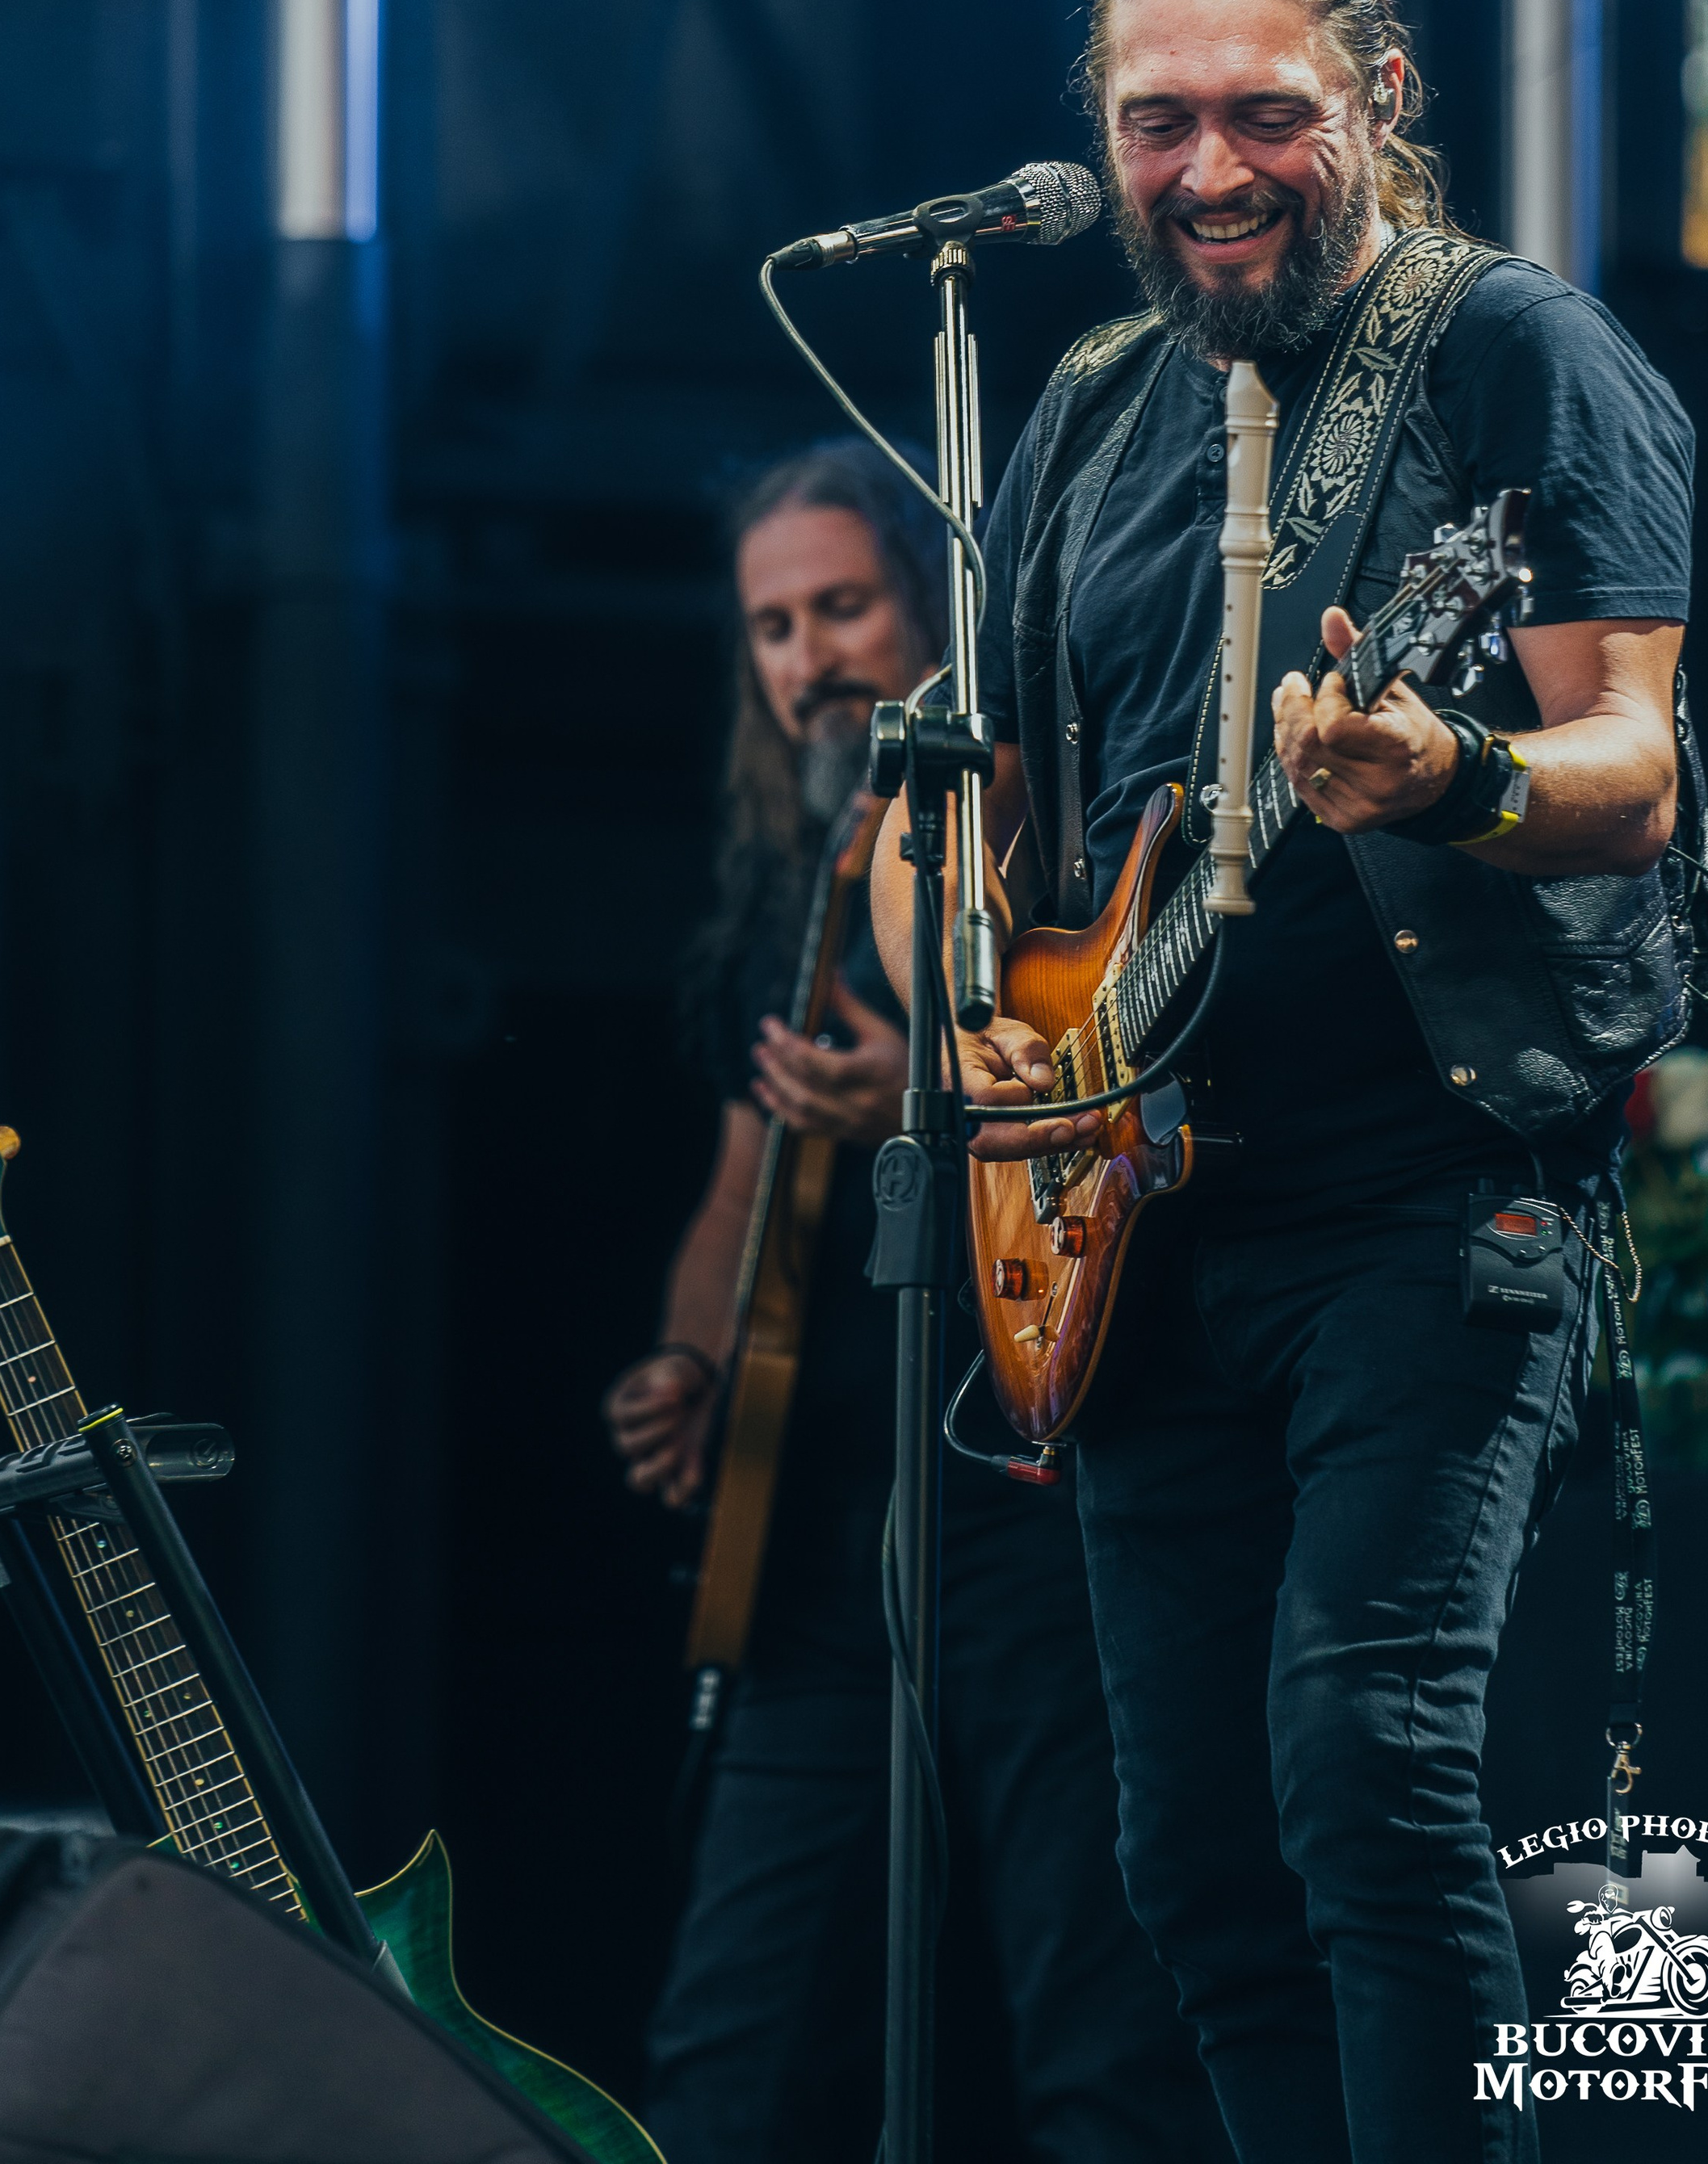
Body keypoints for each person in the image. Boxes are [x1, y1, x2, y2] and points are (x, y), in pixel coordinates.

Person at [872, 0, 1702, 2164]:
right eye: (1159, 122)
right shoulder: (1091, 402)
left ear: (1383, 103)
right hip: (1141, 1218)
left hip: (1428, 1203)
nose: (1210, 168)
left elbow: (1630, 766)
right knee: (1196, 1864)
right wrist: (977, 1006)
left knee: (1364, 1761)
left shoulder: (1507, 355)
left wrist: (1454, 776)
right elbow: (971, 803)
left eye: (1266, 112)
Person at [606, 440, 1225, 2164]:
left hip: (1038, 1519)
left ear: (932, 618)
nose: (810, 655)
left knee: (1101, 2038)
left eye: (844, 606)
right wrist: (689, 1360)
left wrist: (922, 1101)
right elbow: (741, 1185)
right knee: (726, 2060)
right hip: (823, 1550)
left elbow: (1124, 1133)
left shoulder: (1039, 837)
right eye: (773, 626)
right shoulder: (793, 892)